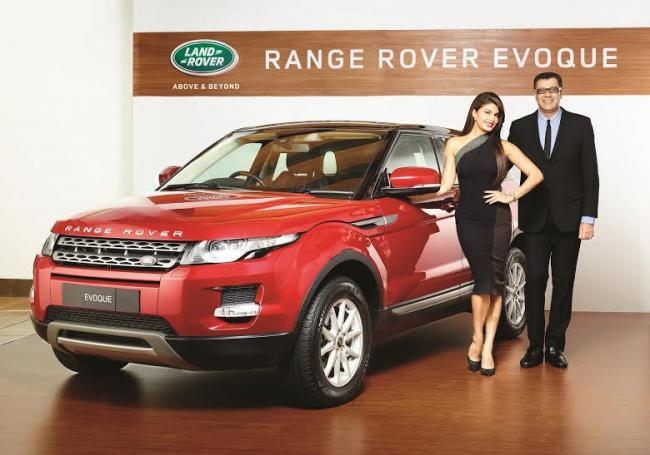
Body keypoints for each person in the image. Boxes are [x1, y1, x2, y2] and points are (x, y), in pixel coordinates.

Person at [434, 92, 543, 376]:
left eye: (497, 115)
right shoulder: (454, 144)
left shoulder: (504, 147)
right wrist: (422, 196)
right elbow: (446, 185)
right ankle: (476, 338)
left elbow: (536, 174)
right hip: (468, 219)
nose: (492, 119)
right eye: (487, 112)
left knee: (493, 284)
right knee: (483, 281)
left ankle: (486, 346)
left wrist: (511, 195)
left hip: (497, 221)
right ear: (474, 112)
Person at [509, 72, 599, 369]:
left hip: (569, 219)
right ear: (534, 94)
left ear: (561, 92)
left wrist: (588, 218)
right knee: (534, 281)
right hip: (534, 218)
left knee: (564, 283)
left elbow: (590, 174)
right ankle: (535, 346)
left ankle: (555, 345)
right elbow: (503, 163)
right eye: (541, 90)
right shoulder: (519, 127)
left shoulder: (581, 125)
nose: (547, 94)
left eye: (552, 89)